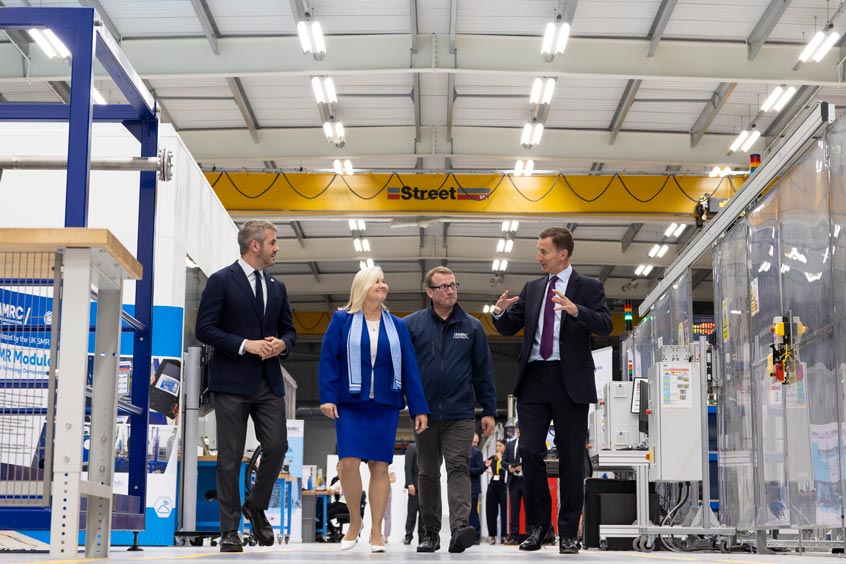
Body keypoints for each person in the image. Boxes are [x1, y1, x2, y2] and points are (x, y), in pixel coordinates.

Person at [492, 226, 612, 554]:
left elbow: (605, 324)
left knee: (571, 456)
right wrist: (499, 312)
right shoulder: (533, 288)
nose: (538, 257)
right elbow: (509, 327)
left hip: (569, 379)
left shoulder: (589, 287)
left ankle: (569, 531)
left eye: (543, 251)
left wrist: (576, 310)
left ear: (563, 254)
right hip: (533, 378)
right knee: (530, 451)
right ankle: (538, 527)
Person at [195, 220, 297, 553]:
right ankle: (229, 530)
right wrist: (245, 345)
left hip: (268, 381)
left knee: (277, 447)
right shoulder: (221, 281)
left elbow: (290, 331)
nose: (276, 247)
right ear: (255, 245)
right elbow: (204, 329)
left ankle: (255, 505)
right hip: (231, 382)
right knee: (229, 458)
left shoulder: (277, 287)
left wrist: (281, 344)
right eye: (273, 242)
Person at [318, 266, 429, 553]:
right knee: (348, 462)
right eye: (376, 281)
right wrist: (327, 397)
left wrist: (419, 407)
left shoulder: (398, 325)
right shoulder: (342, 320)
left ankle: (376, 530)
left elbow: (410, 368)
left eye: (384, 281)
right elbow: (329, 359)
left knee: (380, 466)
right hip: (350, 404)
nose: (383, 285)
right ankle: (355, 522)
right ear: (362, 287)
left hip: (384, 404)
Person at [405, 266, 497, 553]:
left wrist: (489, 410)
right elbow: (405, 370)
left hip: (460, 413)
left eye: (453, 285)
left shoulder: (472, 327)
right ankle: (430, 533)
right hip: (424, 414)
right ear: (429, 292)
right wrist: (413, 404)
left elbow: (483, 372)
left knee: (458, 467)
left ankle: (459, 528)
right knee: (428, 472)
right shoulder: (411, 325)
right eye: (443, 286)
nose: (450, 290)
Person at [503, 427, 525, 545]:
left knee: (529, 508)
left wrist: (524, 466)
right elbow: (503, 461)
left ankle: (530, 534)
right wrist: (510, 467)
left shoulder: (530, 443)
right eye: (518, 429)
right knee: (514, 510)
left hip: (527, 481)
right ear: (516, 430)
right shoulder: (510, 445)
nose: (520, 431)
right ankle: (514, 535)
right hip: (514, 481)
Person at [485, 439, 508, 545]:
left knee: (504, 511)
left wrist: (501, 459)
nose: (498, 448)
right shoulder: (493, 458)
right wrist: (486, 469)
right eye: (497, 445)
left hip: (503, 485)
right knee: (491, 511)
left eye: (500, 446)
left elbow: (507, 469)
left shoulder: (506, 459)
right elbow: (484, 464)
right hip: (493, 484)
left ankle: (504, 535)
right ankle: (492, 536)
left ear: (505, 447)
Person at [403, 442, 424, 545]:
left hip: (425, 486)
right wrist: (410, 484)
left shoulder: (428, 447)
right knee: (412, 513)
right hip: (414, 487)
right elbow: (407, 468)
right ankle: (408, 535)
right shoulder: (412, 447)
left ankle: (422, 536)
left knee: (424, 514)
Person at [469, 433, 485, 543]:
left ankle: (476, 535)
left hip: (473, 487)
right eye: (474, 442)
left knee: (473, 511)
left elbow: (480, 469)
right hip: (464, 486)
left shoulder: (477, 452)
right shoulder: (463, 451)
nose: (475, 444)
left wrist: (467, 470)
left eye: (476, 442)